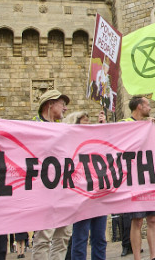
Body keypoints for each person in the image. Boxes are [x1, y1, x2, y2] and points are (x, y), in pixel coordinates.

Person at [121, 96, 155, 260]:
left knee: (153, 218)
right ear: (140, 107)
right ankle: (137, 257)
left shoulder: (149, 127)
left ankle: (154, 255)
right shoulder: (124, 124)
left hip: (150, 175)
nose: (150, 108)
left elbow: (153, 152)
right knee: (137, 220)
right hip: (134, 178)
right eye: (147, 105)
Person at [31, 90, 73, 260]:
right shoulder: (32, 126)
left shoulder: (63, 129)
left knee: (63, 235)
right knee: (44, 236)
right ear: (49, 104)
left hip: (64, 187)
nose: (65, 109)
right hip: (44, 188)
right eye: (62, 104)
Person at [70, 111, 107, 260]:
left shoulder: (95, 141)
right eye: (84, 121)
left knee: (99, 237)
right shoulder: (72, 143)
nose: (88, 123)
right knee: (80, 238)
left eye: (88, 121)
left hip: (98, 193)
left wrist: (102, 126)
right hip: (81, 195)